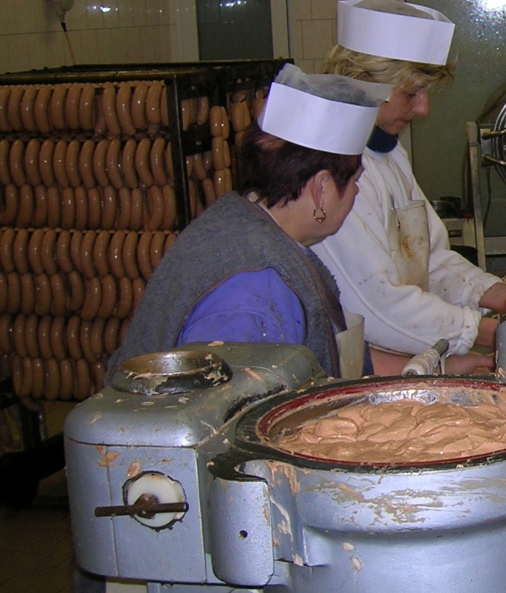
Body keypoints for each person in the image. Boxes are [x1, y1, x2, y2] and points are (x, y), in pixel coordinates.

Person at [111, 64, 389, 380]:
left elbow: (334, 355)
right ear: (321, 189)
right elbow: (236, 406)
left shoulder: (242, 222)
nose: (356, 192)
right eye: (354, 181)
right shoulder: (257, 291)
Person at [314, 0, 506, 376]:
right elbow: (375, 304)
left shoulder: (389, 153)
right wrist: (483, 331)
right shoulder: (333, 170)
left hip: (403, 353)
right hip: (355, 366)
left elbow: (427, 259)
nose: (424, 110)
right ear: (365, 83)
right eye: (410, 94)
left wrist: (500, 296)